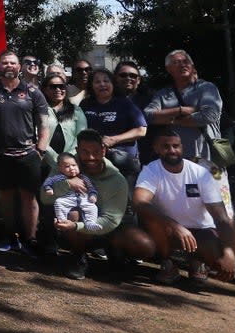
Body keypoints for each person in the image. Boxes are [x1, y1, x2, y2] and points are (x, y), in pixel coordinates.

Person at [134, 128, 235, 286]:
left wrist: (228, 251)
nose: (172, 150)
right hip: (169, 230)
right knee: (152, 220)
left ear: (182, 147)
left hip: (202, 231)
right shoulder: (151, 170)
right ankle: (168, 263)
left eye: (176, 146)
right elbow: (140, 203)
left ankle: (198, 261)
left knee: (219, 259)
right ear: (156, 149)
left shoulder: (202, 173)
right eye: (166, 146)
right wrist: (176, 226)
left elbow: (221, 216)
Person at [46, 129, 155, 280]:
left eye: (96, 152)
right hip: (79, 225)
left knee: (145, 246)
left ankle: (114, 249)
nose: (90, 157)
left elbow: (111, 221)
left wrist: (77, 226)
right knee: (73, 213)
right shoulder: (64, 166)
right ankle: (78, 256)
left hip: (108, 227)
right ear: (77, 150)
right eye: (84, 152)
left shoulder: (117, 179)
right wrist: (67, 184)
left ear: (104, 150)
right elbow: (45, 198)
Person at [0, 51, 49, 256]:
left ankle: (30, 240)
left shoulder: (33, 91)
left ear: (19, 67)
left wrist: (40, 151)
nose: (9, 65)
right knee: (5, 198)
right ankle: (9, 237)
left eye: (13, 62)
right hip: (0, 155)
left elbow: (44, 124)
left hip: (29, 155)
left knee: (29, 198)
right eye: (5, 62)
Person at [80, 68, 147, 186]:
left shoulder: (124, 103)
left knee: (126, 200)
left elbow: (141, 130)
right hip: (94, 161)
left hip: (122, 160)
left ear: (113, 84)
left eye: (106, 81)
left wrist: (114, 139)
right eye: (97, 82)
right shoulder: (85, 104)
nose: (102, 84)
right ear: (91, 86)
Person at [41, 153, 100, 233]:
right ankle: (62, 220)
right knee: (58, 203)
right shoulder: (60, 177)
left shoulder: (83, 177)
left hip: (83, 198)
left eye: (74, 165)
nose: (71, 168)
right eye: (67, 166)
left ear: (78, 165)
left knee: (93, 207)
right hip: (67, 199)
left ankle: (90, 222)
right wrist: (48, 188)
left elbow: (91, 187)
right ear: (60, 169)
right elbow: (49, 181)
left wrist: (93, 195)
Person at [41, 71, 87, 170]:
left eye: (61, 86)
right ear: (45, 89)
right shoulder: (39, 111)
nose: (58, 89)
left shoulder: (76, 110)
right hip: (45, 162)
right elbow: (38, 136)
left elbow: (81, 136)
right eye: (53, 87)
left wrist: (68, 159)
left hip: (72, 163)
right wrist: (57, 160)